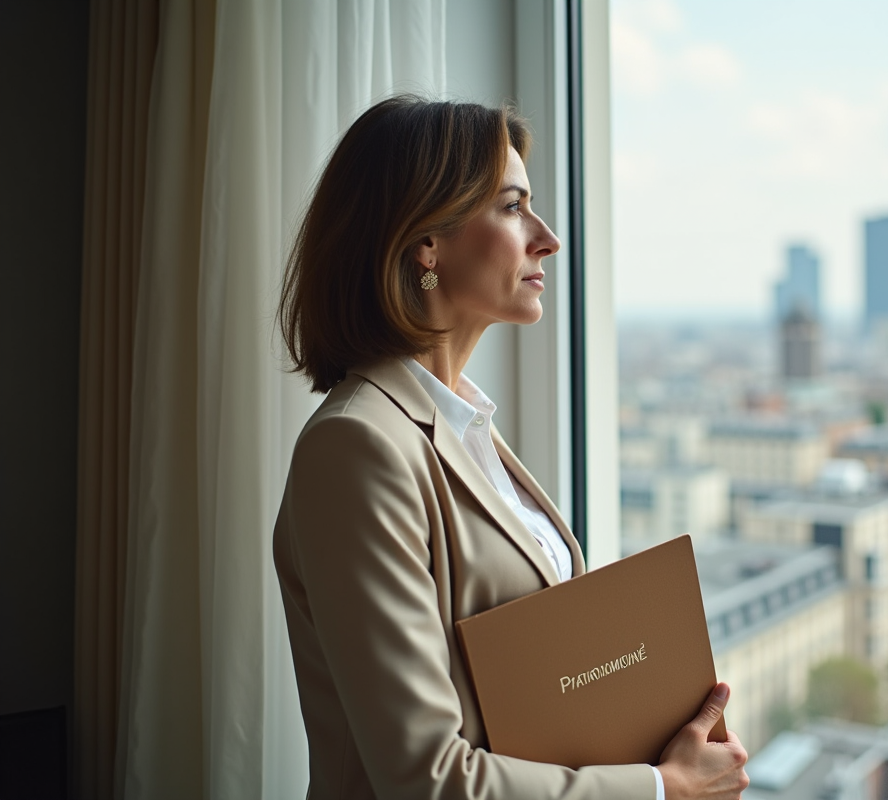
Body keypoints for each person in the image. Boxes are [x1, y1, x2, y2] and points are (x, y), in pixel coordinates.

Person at [273, 95, 750, 800]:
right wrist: (658, 788)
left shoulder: (461, 423)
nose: (547, 238)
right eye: (513, 206)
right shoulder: (357, 447)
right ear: (426, 241)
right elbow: (425, 776)